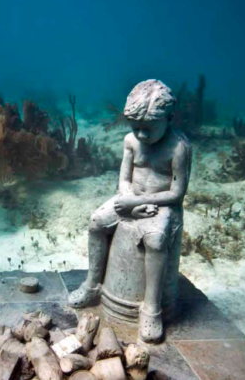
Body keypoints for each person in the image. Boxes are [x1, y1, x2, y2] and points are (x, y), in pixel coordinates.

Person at [68, 79, 191, 343]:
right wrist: (128, 200)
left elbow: (177, 193)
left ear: (169, 119)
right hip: (131, 198)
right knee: (96, 222)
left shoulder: (179, 147)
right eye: (136, 128)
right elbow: (124, 179)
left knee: (156, 241)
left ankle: (151, 308)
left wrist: (135, 206)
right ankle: (92, 285)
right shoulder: (130, 141)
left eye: (148, 129)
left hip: (161, 205)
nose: (142, 135)